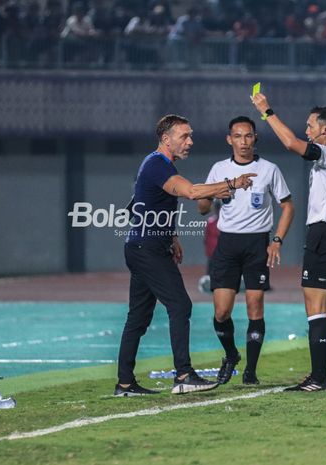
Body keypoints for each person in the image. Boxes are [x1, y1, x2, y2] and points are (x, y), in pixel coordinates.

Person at [115, 114, 256, 396]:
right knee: (180, 306)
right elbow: (192, 192)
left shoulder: (155, 165)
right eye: (184, 136)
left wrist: (172, 236)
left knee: (138, 317)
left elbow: (140, 206)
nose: (190, 141)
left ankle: (125, 383)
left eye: (190, 135)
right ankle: (183, 375)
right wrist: (232, 184)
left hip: (144, 246)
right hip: (147, 249)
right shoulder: (157, 164)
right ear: (166, 140)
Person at [250, 94, 326, 392]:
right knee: (316, 306)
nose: (307, 130)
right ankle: (318, 376)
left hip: (324, 233)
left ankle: (319, 378)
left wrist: (266, 112)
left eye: (311, 125)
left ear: (325, 130)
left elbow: (290, 143)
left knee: (317, 307)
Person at [197, 116, 294, 386]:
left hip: (256, 245)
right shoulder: (219, 169)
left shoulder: (269, 170)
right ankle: (231, 355)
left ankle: (250, 371)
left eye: (248, 136)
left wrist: (277, 240)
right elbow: (202, 207)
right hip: (227, 245)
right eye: (238, 136)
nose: (243, 141)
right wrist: (215, 193)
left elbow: (288, 206)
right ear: (229, 139)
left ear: (255, 139)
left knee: (254, 306)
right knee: (221, 312)